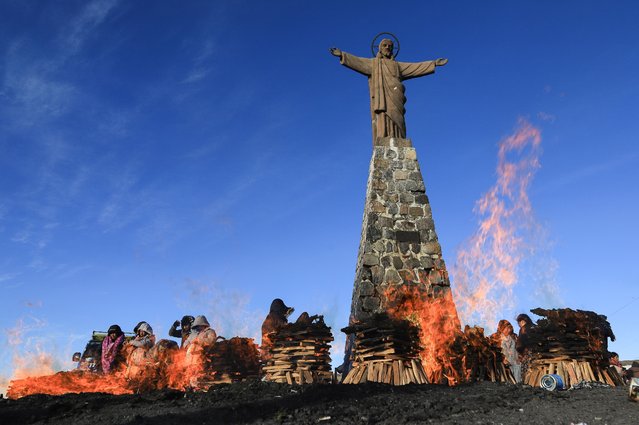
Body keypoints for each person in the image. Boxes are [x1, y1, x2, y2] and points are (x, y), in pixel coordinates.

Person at [330, 39, 448, 142]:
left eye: (390, 46)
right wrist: (342, 55)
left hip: (396, 96)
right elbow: (358, 62)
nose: (388, 48)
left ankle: (399, 139)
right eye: (385, 45)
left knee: (399, 121)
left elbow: (414, 67)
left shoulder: (398, 65)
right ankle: (384, 137)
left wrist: (433, 64)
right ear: (380, 48)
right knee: (382, 115)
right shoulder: (374, 63)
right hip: (382, 98)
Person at [516, 313, 535, 379]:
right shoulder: (533, 327)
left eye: (519, 322)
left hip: (527, 352)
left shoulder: (523, 329)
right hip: (535, 352)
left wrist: (519, 351)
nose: (518, 324)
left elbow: (520, 343)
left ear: (523, 321)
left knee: (526, 370)